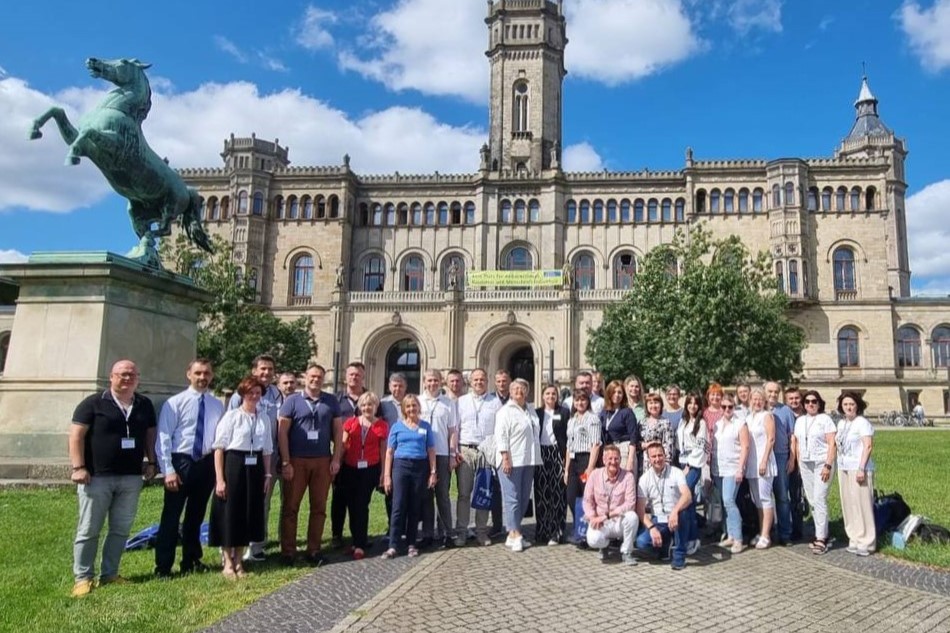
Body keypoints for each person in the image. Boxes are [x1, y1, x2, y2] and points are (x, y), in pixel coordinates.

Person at [68, 360, 157, 597]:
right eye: (122, 374)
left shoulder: (144, 404)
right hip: (97, 477)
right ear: (111, 376)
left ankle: (110, 573)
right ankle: (83, 577)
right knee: (89, 529)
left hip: (130, 477)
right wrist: (79, 467)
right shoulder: (93, 403)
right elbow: (76, 435)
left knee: (120, 529)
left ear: (138, 378)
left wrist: (152, 460)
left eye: (132, 375)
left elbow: (150, 434)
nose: (127, 378)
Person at [154, 358, 225, 577]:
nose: (202, 378)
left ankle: (191, 560)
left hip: (205, 463)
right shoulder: (175, 403)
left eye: (207, 374)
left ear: (211, 376)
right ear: (189, 374)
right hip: (180, 462)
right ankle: (163, 566)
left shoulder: (216, 405)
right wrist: (168, 470)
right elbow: (163, 437)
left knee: (196, 515)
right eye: (198, 373)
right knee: (171, 516)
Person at [277, 364, 343, 566]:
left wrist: (336, 459)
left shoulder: (330, 401)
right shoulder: (292, 401)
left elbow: (339, 432)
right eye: (312, 376)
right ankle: (288, 551)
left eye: (319, 377)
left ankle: (313, 549)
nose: (316, 380)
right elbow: (282, 433)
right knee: (290, 507)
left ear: (324, 379)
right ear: (305, 377)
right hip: (297, 460)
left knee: (319, 507)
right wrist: (286, 461)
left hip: (322, 460)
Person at [209, 376, 274, 578]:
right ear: (243, 394)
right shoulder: (232, 417)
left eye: (257, 393)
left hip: (255, 468)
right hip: (234, 465)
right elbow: (219, 448)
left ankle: (239, 561)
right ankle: (227, 562)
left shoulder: (263, 418)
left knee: (248, 512)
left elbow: (267, 450)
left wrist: (268, 474)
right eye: (250, 393)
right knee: (231, 512)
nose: (254, 396)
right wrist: (220, 479)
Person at [229, 354, 282, 562]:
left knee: (263, 502)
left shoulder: (277, 394)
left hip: (267, 454)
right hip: (241, 455)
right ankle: (234, 545)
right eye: (263, 369)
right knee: (240, 501)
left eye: (270, 369)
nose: (267, 373)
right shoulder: (239, 393)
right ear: (254, 371)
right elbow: (231, 422)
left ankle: (257, 546)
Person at [382, 394, 437, 559]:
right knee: (398, 506)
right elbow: (389, 452)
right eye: (408, 406)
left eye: (414, 405)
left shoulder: (425, 427)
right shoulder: (397, 427)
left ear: (419, 407)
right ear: (404, 409)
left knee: (414, 506)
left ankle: (411, 544)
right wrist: (386, 475)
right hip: (401, 466)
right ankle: (393, 544)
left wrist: (433, 472)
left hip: (420, 467)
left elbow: (431, 450)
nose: (412, 409)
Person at [337, 391, 388, 559]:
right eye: (364, 405)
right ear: (360, 407)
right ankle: (356, 541)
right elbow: (343, 446)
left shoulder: (381, 425)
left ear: (376, 407)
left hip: (370, 469)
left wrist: (383, 473)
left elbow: (383, 451)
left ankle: (360, 544)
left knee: (361, 504)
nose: (367, 408)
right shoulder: (350, 423)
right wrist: (336, 462)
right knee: (352, 505)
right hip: (350, 468)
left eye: (371, 405)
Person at [455, 368, 503, 546]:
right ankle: (461, 531)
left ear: (487, 381)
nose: (479, 383)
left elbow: (499, 428)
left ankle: (481, 531)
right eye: (475, 380)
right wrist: (455, 451)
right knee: (463, 493)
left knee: (484, 492)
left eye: (482, 379)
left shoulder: (495, 401)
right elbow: (456, 428)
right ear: (470, 381)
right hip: (466, 449)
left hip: (486, 450)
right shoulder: (461, 402)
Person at [495, 378, 541, 552]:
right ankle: (515, 534)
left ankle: (513, 531)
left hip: (528, 460)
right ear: (511, 391)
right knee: (512, 498)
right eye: (515, 389)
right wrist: (505, 457)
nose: (519, 392)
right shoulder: (505, 411)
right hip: (511, 460)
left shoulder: (530, 409)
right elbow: (501, 436)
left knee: (522, 498)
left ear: (527, 391)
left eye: (522, 389)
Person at [792, 390, 837, 555]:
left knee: (819, 498)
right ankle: (823, 531)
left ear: (819, 403)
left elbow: (832, 443)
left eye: (814, 401)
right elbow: (797, 443)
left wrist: (828, 465)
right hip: (805, 464)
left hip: (821, 463)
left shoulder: (825, 419)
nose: (810, 404)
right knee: (812, 499)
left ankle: (821, 538)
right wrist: (798, 463)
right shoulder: (800, 421)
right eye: (808, 401)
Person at [418, 369, 459, 548]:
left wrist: (452, 455)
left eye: (436, 380)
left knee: (442, 495)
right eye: (429, 380)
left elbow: (452, 431)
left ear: (441, 382)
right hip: (422, 454)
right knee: (426, 496)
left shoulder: (448, 403)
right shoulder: (417, 402)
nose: (432, 383)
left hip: (442, 453)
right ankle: (427, 533)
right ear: (424, 381)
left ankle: (447, 533)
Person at [636, 442, 692, 570]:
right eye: (654, 456)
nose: (657, 459)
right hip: (658, 519)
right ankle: (665, 544)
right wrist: (651, 528)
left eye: (660, 455)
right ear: (649, 459)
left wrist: (675, 511)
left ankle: (679, 556)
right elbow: (640, 509)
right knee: (641, 542)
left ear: (665, 455)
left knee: (682, 513)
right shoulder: (644, 479)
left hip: (676, 516)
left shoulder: (676, 472)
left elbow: (687, 496)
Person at [332, 361, 370, 549]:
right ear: (345, 377)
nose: (354, 377)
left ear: (363, 377)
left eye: (358, 375)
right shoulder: (335, 400)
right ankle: (337, 535)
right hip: (341, 456)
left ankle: (359, 536)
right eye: (351, 374)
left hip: (364, 459)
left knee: (361, 500)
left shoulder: (371, 399)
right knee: (339, 497)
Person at [583, 444, 639, 565]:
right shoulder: (595, 475)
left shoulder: (628, 476)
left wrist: (607, 515)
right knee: (593, 540)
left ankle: (626, 552)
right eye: (610, 459)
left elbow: (630, 503)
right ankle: (604, 545)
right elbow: (587, 500)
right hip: (601, 522)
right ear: (604, 460)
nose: (613, 462)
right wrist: (593, 517)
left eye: (616, 459)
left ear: (620, 460)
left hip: (618, 521)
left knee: (632, 517)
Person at [835, 391, 876, 556]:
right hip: (844, 467)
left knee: (862, 504)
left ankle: (867, 540)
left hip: (859, 468)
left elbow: (868, 446)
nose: (848, 407)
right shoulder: (841, 424)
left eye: (851, 404)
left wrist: (862, 468)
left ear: (857, 405)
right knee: (849, 504)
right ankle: (853, 536)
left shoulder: (862, 423)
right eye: (845, 404)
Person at [711, 394, 750, 554]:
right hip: (718, 468)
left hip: (733, 469)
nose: (727, 409)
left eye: (730, 406)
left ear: (734, 407)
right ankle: (731, 535)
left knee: (729, 500)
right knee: (725, 502)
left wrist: (740, 468)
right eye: (724, 406)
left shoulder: (740, 423)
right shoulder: (717, 424)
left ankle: (739, 539)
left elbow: (745, 446)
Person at [565, 389, 602, 546]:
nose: (580, 403)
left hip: (586, 460)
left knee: (588, 499)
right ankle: (579, 528)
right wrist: (566, 469)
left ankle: (588, 534)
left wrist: (590, 467)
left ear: (588, 402)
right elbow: (569, 446)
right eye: (577, 400)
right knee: (571, 497)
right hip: (573, 461)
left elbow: (595, 445)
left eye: (583, 400)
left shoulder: (592, 419)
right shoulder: (572, 420)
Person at [534, 384, 569, 545]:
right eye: (547, 393)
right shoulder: (537, 413)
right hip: (541, 453)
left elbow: (567, 435)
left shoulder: (563, 412)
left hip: (557, 453)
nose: (550, 396)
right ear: (542, 396)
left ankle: (557, 531)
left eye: (553, 394)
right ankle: (542, 530)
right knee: (541, 493)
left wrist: (565, 458)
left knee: (557, 493)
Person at [676, 392, 708, 555]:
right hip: (682, 463)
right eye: (690, 403)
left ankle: (692, 538)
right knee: (689, 504)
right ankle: (691, 537)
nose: (693, 406)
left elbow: (702, 447)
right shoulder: (683, 421)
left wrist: (689, 464)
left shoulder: (701, 423)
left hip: (693, 465)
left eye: (696, 403)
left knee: (685, 499)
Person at [745, 387, 777, 549]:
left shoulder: (766, 416)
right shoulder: (749, 417)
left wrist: (764, 460)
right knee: (757, 500)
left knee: (765, 498)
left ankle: (766, 535)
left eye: (760, 399)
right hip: (751, 464)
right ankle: (761, 530)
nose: (757, 402)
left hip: (764, 463)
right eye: (754, 399)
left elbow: (771, 439)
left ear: (764, 401)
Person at [765, 381, 795, 545]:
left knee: (783, 496)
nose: (773, 394)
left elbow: (792, 437)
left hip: (781, 456)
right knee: (762, 497)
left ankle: (785, 534)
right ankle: (766, 531)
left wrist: (792, 458)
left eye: (776, 391)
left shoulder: (786, 411)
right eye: (770, 391)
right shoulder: (758, 410)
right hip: (763, 458)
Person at [379, 372, 408, 529]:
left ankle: (406, 525)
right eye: (394, 386)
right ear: (389, 386)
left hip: (407, 451)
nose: (397, 389)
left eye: (400, 386)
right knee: (389, 490)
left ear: (405, 387)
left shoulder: (410, 402)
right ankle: (392, 526)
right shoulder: (383, 404)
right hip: (389, 452)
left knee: (406, 491)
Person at [599, 379, 639, 473]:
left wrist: (630, 460)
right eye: (614, 392)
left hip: (624, 450)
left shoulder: (627, 412)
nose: (616, 395)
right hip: (609, 450)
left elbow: (634, 437)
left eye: (619, 392)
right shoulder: (604, 413)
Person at [784, 385, 806, 541]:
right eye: (791, 398)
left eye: (796, 398)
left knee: (799, 495)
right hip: (787, 459)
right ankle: (791, 526)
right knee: (789, 495)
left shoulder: (807, 415)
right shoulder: (784, 415)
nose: (794, 401)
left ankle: (799, 528)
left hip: (804, 460)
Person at [638, 393, 674, 474]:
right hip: (644, 462)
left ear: (661, 405)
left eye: (656, 403)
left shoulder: (666, 423)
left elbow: (669, 445)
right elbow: (637, 443)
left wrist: (666, 465)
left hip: (659, 462)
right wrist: (645, 445)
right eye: (650, 403)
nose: (653, 406)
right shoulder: (642, 422)